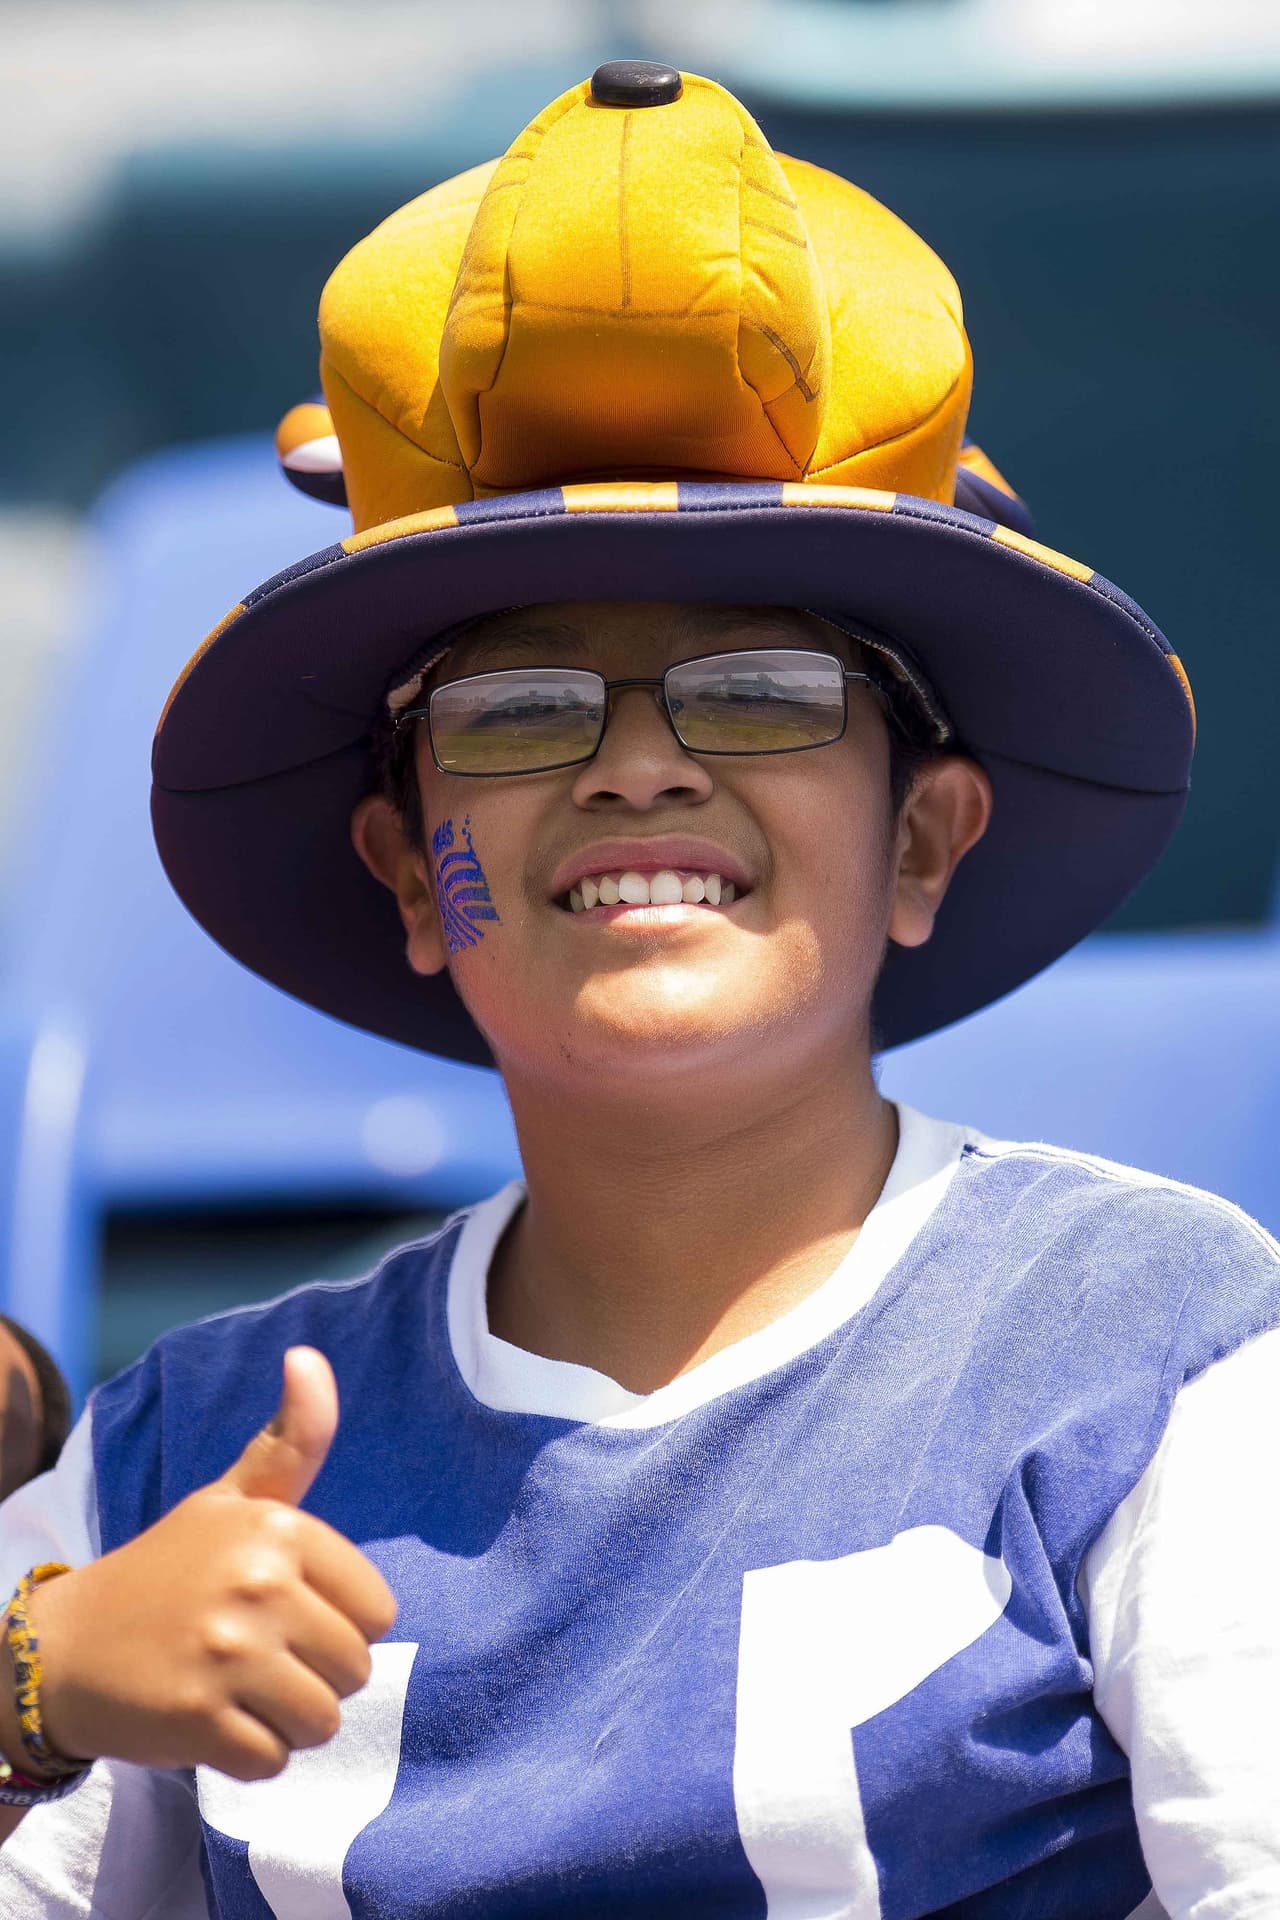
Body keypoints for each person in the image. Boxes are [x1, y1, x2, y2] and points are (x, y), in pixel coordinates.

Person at [0, 60, 1274, 1919]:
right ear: (406, 879)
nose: (636, 767)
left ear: (923, 841)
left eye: (758, 692)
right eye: (517, 714)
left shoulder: (1171, 1363)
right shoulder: (167, 1474)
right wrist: (35, 1681)